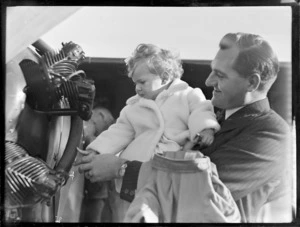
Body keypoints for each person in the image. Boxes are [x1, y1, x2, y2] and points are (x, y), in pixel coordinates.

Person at [75, 33, 293, 222]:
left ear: (252, 83)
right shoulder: (208, 112)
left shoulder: (272, 134)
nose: (208, 82)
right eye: (212, 71)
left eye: (220, 75)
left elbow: (197, 186)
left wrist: (120, 168)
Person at [77, 43, 220, 221]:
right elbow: (119, 131)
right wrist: (97, 150)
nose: (137, 88)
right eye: (135, 82)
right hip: (134, 169)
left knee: (158, 212)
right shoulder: (134, 107)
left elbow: (201, 110)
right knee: (127, 212)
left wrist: (205, 128)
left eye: (142, 82)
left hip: (166, 166)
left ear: (165, 76)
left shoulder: (187, 95)